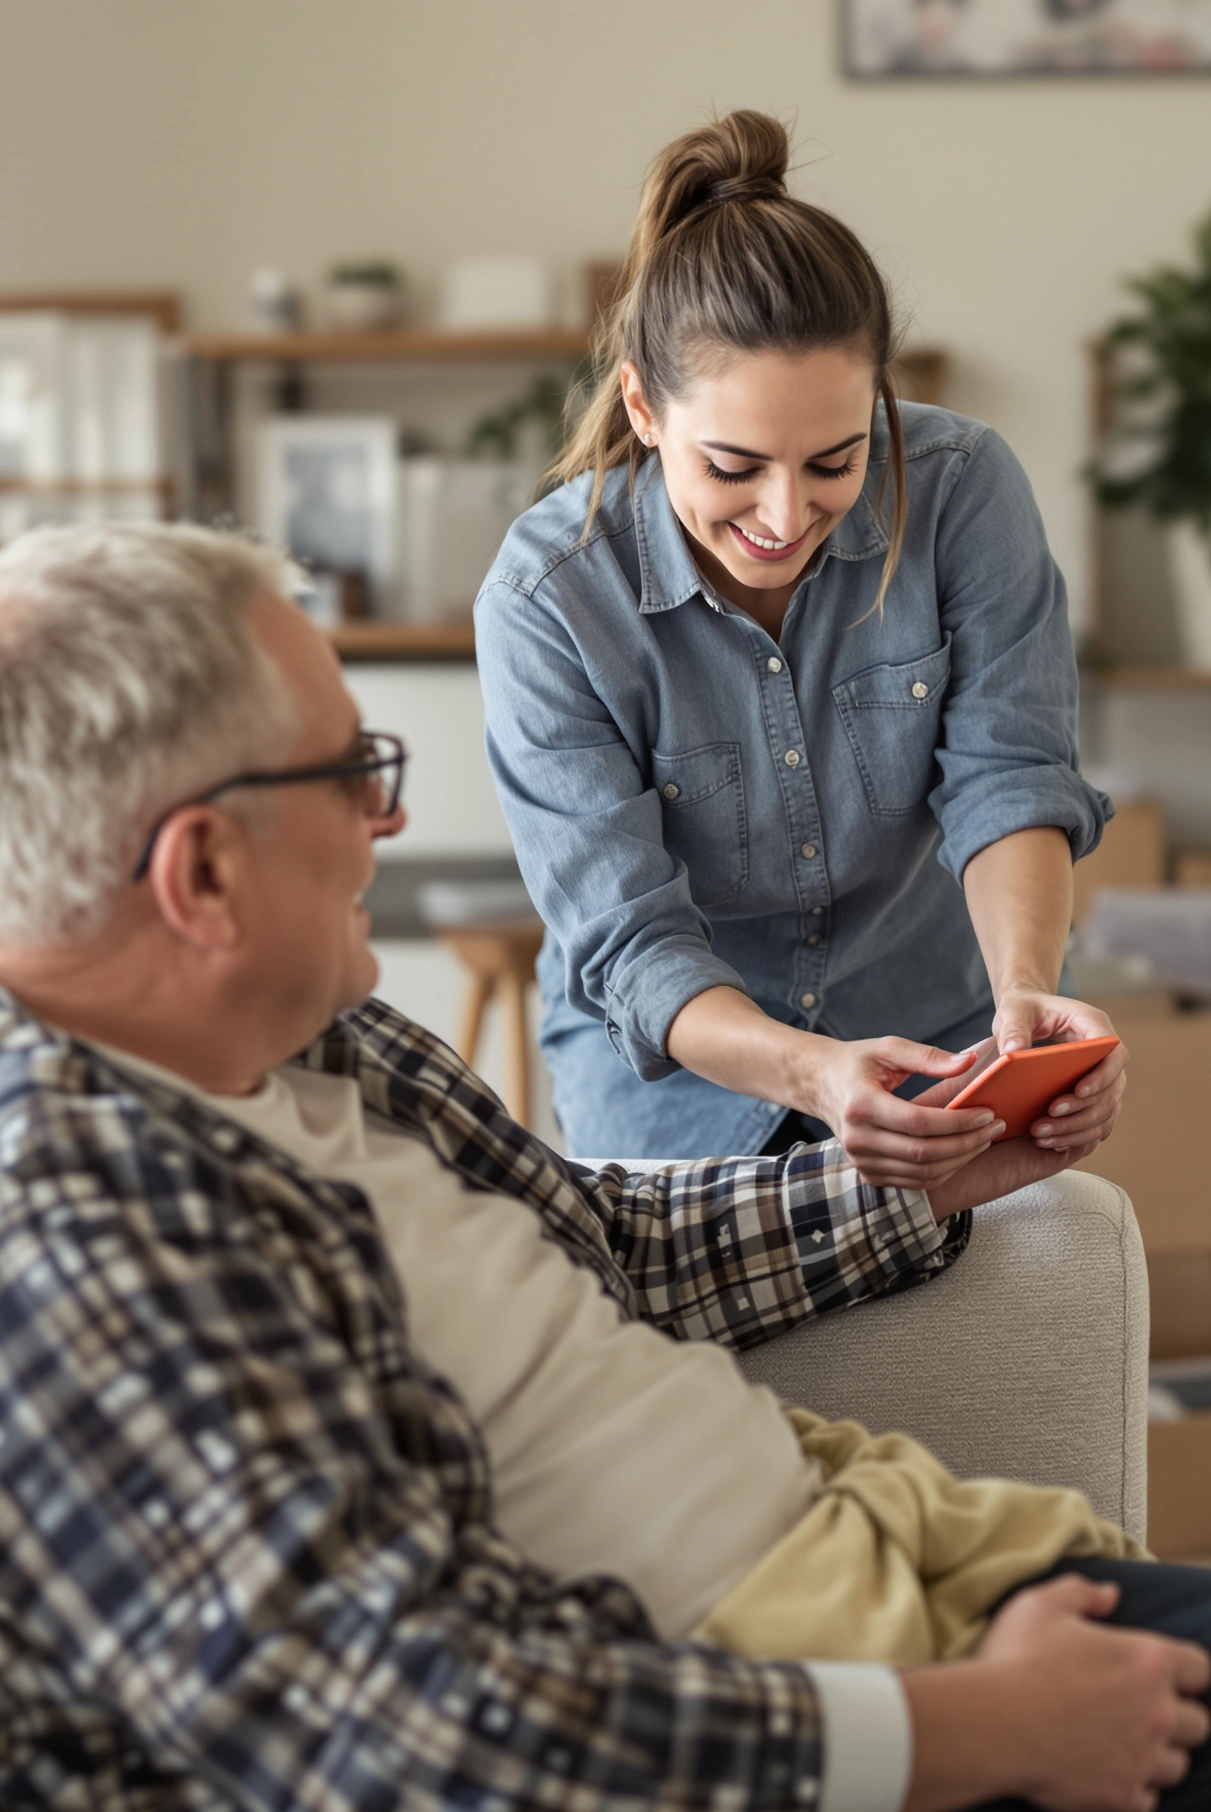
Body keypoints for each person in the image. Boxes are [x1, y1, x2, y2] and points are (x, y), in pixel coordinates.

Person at [0, 522, 1211, 1812]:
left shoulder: (293, 1040)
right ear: (198, 870)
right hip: (667, 1761)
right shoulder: (43, 1235)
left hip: (816, 1600)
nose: (387, 822)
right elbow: (417, 1752)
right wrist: (973, 1732)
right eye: (354, 773)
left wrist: (920, 1176)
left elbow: (601, 1238)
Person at [478, 112, 1123, 1181]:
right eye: (733, 466)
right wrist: (813, 1073)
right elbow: (630, 941)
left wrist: (1024, 992)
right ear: (641, 404)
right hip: (674, 1084)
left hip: (938, 1038)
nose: (785, 513)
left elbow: (1010, 777)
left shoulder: (964, 490)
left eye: (838, 459)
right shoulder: (549, 598)